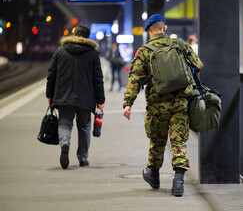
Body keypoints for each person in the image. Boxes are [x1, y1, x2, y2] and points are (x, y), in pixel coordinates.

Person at [122, 14, 203, 197]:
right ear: (164, 28)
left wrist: (128, 103)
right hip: (181, 103)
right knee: (179, 141)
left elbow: (134, 80)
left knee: (157, 141)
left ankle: (154, 175)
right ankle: (179, 181)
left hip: (157, 105)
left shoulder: (144, 51)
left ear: (149, 32)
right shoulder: (180, 45)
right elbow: (198, 65)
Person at [46, 24, 105, 169]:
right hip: (86, 97)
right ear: (87, 36)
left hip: (63, 96)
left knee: (65, 123)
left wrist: (50, 95)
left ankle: (65, 143)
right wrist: (100, 100)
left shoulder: (60, 51)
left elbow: (51, 75)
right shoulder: (92, 54)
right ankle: (83, 159)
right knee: (84, 126)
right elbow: (98, 78)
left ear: (74, 34)